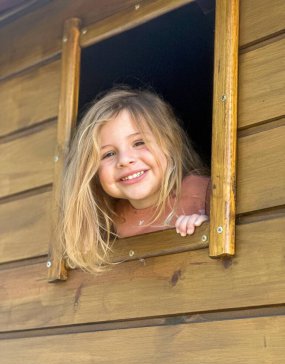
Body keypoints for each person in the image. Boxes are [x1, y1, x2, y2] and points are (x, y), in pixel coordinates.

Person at [58, 88, 210, 273]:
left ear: (170, 145)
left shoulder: (202, 191)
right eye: (108, 154)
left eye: (139, 143)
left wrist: (206, 225)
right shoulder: (112, 218)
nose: (124, 160)